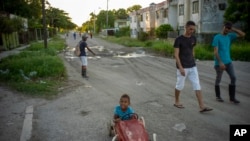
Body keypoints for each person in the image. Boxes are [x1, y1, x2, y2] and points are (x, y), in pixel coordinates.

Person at [173, 21, 212, 113]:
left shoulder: (193, 38)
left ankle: (202, 106)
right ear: (186, 27)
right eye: (190, 29)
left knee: (197, 85)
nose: (192, 31)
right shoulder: (179, 39)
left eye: (193, 30)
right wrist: (181, 67)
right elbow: (176, 55)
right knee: (180, 85)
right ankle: (176, 101)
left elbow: (192, 50)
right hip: (183, 67)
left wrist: (193, 59)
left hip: (192, 66)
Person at [212, 21, 245, 103]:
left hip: (228, 62)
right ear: (223, 27)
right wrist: (220, 63)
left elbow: (243, 34)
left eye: (228, 28)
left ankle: (232, 98)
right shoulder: (217, 37)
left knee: (233, 77)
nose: (227, 29)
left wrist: (233, 29)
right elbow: (215, 51)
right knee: (218, 79)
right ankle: (218, 96)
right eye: (226, 27)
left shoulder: (230, 36)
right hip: (219, 63)